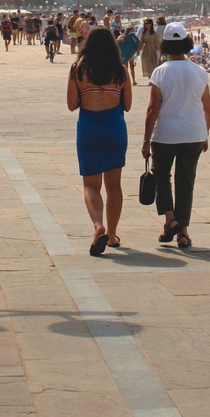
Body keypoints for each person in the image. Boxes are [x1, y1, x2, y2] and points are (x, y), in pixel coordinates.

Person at [142, 22, 210, 249]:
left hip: (165, 134)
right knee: (186, 181)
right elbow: (208, 108)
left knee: (161, 176)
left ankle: (170, 219)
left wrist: (146, 141)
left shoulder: (160, 72)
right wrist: (205, 133)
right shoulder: (199, 72)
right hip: (194, 133)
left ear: (165, 45)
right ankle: (183, 233)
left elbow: (153, 109)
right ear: (186, 44)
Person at [66, 27, 131, 255]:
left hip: (89, 127)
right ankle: (112, 235)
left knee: (91, 185)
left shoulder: (78, 69)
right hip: (114, 127)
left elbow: (71, 104)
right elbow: (128, 105)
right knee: (114, 186)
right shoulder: (121, 71)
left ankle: (98, 225)